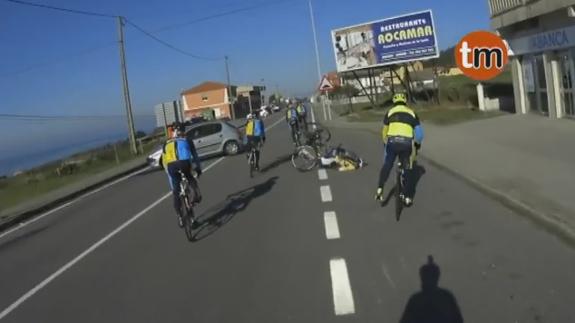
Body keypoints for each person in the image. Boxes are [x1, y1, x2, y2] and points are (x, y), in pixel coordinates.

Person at [375, 92, 424, 206]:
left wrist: (385, 143)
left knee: (387, 164)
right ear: (405, 102)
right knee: (408, 169)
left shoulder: (389, 113)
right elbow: (420, 134)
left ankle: (380, 188)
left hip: (392, 142)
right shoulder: (412, 113)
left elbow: (384, 132)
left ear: (394, 102)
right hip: (406, 143)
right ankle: (407, 197)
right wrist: (417, 145)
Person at [160, 123, 202, 227]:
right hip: (184, 163)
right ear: (183, 130)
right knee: (190, 178)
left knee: (176, 192)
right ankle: (196, 196)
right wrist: (198, 169)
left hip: (171, 167)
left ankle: (180, 217)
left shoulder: (166, 143)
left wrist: (171, 177)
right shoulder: (187, 140)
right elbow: (195, 156)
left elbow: (165, 163)